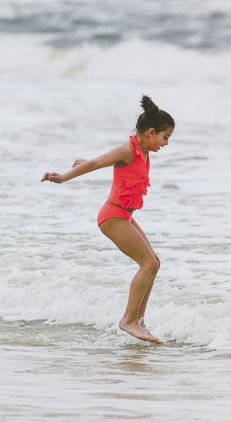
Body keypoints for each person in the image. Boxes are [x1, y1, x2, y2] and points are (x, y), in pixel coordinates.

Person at [41, 95, 175, 344]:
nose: (166, 143)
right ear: (150, 131)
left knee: (154, 263)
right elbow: (95, 163)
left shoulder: (144, 152)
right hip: (113, 217)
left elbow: (103, 164)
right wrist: (63, 177)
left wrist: (82, 163)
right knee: (147, 264)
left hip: (124, 215)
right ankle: (128, 320)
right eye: (165, 137)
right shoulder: (128, 149)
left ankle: (139, 321)